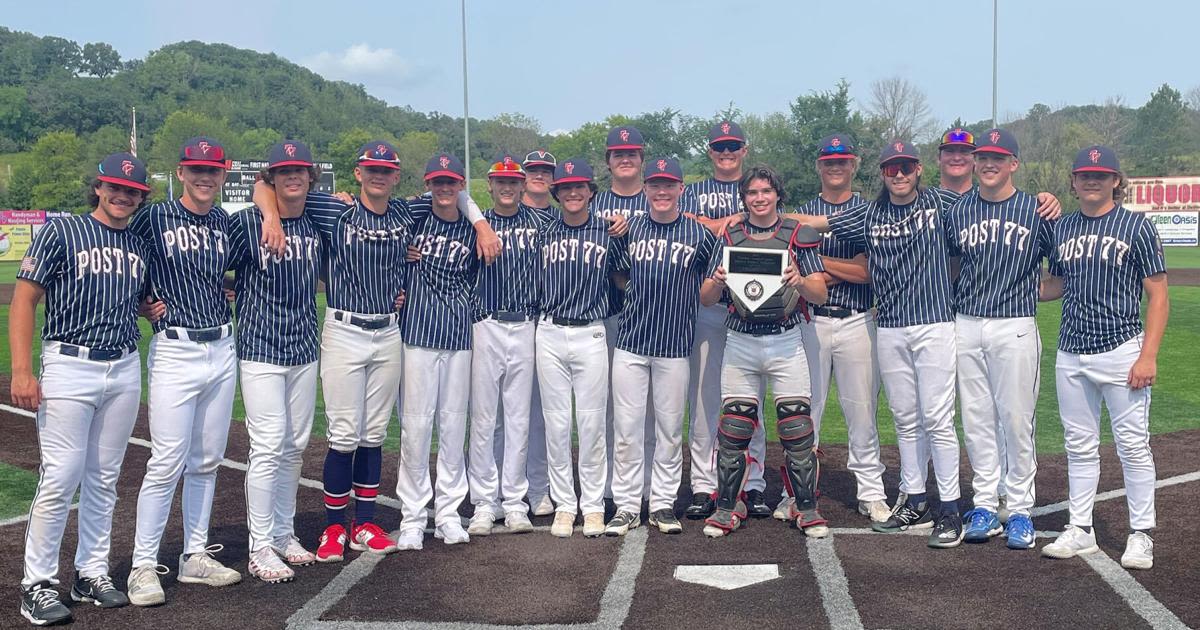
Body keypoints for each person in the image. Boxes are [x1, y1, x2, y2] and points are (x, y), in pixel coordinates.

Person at [253, 142, 493, 561]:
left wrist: (483, 225)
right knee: (343, 436)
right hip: (344, 329)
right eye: (371, 169)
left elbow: (456, 194)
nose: (379, 175)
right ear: (358, 173)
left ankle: (364, 522)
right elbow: (265, 185)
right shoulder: (335, 209)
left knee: (374, 434)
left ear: (396, 176)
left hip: (387, 331)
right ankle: (332, 528)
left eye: (386, 170)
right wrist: (271, 214)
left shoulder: (407, 213)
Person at [792, 141, 967, 548]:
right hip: (888, 325)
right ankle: (916, 499)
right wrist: (763, 215)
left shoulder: (941, 202)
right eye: (892, 168)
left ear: (919, 169)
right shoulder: (870, 212)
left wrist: (1044, 200)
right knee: (904, 417)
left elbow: (980, 205)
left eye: (906, 167)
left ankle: (950, 509)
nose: (899, 174)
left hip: (933, 322)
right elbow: (815, 225)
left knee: (938, 419)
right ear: (882, 172)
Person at [12, 153, 151, 624]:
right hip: (70, 363)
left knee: (104, 477)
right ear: (97, 187)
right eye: (115, 186)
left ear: (140, 196)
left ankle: (90, 572)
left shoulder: (138, 242)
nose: (122, 195)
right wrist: (22, 370)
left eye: (132, 190)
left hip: (124, 366)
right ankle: (37, 584)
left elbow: (136, 298)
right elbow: (25, 298)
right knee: (60, 476)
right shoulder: (62, 231)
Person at [1040, 145, 1168, 570]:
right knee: (1079, 446)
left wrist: (1148, 356)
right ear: (1073, 181)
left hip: (1121, 350)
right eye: (1084, 175)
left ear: (1117, 180)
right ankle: (1080, 527)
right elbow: (1057, 283)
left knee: (1132, 445)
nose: (1091, 181)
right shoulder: (1063, 228)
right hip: (1072, 350)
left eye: (1101, 174)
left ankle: (1141, 533)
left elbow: (1158, 295)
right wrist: (1011, 291)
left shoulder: (1136, 226)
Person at [127, 138, 242, 606]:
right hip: (175, 349)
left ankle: (194, 554)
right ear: (180, 172)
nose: (204, 177)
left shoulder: (223, 222)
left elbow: (237, 270)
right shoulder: (154, 218)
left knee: (207, 459)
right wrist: (137, 301)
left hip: (221, 345)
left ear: (222, 175)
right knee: (166, 460)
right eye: (196, 169)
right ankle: (141, 565)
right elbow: (120, 254)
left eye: (212, 170)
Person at [702, 165, 829, 538]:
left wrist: (799, 280)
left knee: (796, 426)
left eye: (766, 192)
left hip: (786, 338)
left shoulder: (797, 235)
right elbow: (706, 298)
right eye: (752, 193)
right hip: (741, 339)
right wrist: (716, 280)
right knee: (735, 426)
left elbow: (819, 292)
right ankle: (728, 505)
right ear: (744, 198)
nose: (759, 198)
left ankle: (804, 507)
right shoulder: (730, 235)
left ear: (778, 195)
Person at [942, 129, 1054, 549]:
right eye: (983, 157)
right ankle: (986, 504)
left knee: (1016, 419)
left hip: (1014, 325)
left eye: (998, 157)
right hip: (967, 322)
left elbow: (1059, 271)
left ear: (1014, 164)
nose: (989, 164)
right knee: (976, 420)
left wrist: (1024, 293)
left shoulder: (1036, 210)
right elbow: (953, 265)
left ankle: (1021, 508)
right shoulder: (959, 211)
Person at [604, 157, 724, 536]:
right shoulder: (631, 229)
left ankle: (662, 503)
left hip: (675, 345)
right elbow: (619, 273)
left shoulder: (700, 235)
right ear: (646, 189)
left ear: (680, 190)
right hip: (631, 343)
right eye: (655, 185)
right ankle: (626, 503)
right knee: (628, 427)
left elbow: (708, 289)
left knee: (670, 429)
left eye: (668, 185)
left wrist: (712, 285)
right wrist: (644, 296)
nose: (661, 191)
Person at [228, 141, 323, 582]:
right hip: (261, 348)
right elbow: (206, 267)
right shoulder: (248, 223)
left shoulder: (318, 218)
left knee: (294, 447)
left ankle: (284, 533)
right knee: (267, 445)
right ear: (270, 177)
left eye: (299, 170)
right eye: (283, 171)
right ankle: (260, 544)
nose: (293, 177)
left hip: (304, 346)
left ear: (310, 176)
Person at [786, 133, 890, 525]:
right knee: (803, 411)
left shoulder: (869, 212)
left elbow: (869, 273)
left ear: (855, 164)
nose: (835, 166)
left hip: (857, 320)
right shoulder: (802, 213)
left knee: (861, 411)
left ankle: (872, 492)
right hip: (810, 322)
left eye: (843, 161)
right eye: (829, 161)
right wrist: (828, 272)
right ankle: (797, 492)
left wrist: (820, 265)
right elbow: (793, 274)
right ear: (819, 165)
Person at [678, 121, 770, 521]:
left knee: (752, 403)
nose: (726, 153)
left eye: (733, 146)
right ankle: (703, 484)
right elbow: (683, 227)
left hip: (752, 310)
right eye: (720, 147)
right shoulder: (693, 192)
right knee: (704, 400)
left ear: (744, 150)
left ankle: (753, 483)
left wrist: (713, 225)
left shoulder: (756, 187)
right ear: (710, 151)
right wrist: (721, 224)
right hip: (708, 307)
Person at [395, 153, 482, 550]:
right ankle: (412, 516)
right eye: (437, 182)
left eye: (451, 182)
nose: (444, 189)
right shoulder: (413, 214)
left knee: (452, 428)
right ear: (427, 184)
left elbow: (470, 210)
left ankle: (448, 512)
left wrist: (479, 221)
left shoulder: (472, 227)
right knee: (416, 428)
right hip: (417, 335)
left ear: (461, 185)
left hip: (458, 336)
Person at [535, 158, 623, 538]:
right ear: (556, 193)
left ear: (591, 192)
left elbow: (623, 281)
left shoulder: (609, 233)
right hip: (550, 331)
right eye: (566, 187)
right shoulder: (544, 232)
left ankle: (592, 505)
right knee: (556, 424)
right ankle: (564, 505)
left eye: (580, 187)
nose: (573, 193)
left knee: (591, 423)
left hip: (591, 332)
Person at [467, 153, 542, 535]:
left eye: (514, 180)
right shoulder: (477, 224)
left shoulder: (540, 223)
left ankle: (514, 501)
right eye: (501, 181)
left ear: (523, 183)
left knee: (517, 418)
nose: (508, 187)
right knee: (484, 418)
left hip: (525, 324)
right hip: (488, 324)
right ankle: (484, 502)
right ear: (490, 184)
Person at [519, 149, 557, 517]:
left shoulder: (562, 218)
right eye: (534, 170)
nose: (540, 176)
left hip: (545, 320)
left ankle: (539, 487)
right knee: (503, 413)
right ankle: (503, 489)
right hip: (510, 322)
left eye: (547, 171)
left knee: (540, 412)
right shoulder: (508, 212)